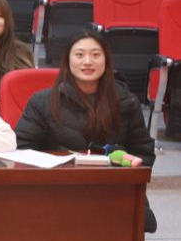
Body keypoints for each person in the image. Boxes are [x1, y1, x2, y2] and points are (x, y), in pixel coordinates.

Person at [16, 31, 155, 166]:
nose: (88, 62)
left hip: (110, 179)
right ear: (67, 60)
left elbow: (145, 155)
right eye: (79, 55)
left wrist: (129, 161)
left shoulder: (127, 102)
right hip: (57, 179)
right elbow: (23, 151)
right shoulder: (41, 102)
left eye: (96, 55)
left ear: (106, 60)